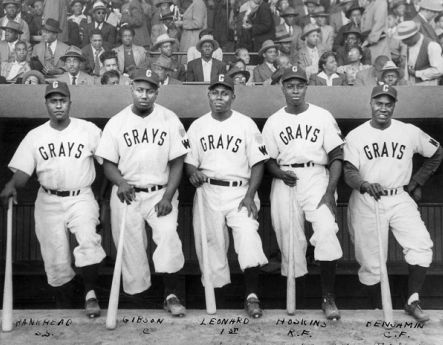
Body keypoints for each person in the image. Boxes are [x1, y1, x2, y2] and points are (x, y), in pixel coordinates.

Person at [0, 81, 106, 318]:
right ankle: (64, 309)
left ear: (70, 102)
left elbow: (107, 161)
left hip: (80, 195)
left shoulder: (87, 129)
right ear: (46, 104)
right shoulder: (35, 135)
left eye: (63, 100)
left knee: (88, 239)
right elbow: (22, 172)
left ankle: (90, 294)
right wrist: (11, 185)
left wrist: (104, 197)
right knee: (55, 259)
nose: (58, 105)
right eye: (53, 101)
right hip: (48, 199)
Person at [343, 84, 443, 322]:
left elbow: (437, 152)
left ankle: (412, 300)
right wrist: (365, 184)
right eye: (379, 103)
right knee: (370, 262)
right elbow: (349, 172)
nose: (383, 108)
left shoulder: (408, 131)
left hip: (398, 197)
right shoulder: (356, 135)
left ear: (394, 106)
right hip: (367, 199)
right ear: (371, 103)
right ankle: (375, 310)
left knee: (420, 246)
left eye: (388, 104)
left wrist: (416, 182)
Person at [95, 69, 189, 317]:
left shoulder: (170, 119)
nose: (144, 95)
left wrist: (168, 196)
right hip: (127, 193)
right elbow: (107, 162)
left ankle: (171, 295)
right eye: (140, 89)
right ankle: (139, 301)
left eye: (149, 90)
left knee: (168, 238)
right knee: (130, 247)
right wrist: (120, 182)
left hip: (160, 191)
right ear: (131, 89)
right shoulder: (117, 122)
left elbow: (178, 161)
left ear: (157, 92)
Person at [262, 66, 344, 320]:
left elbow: (337, 156)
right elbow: (266, 159)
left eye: (299, 85)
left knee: (327, 230)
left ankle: (328, 297)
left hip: (317, 177)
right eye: (290, 85)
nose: (295, 90)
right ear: (283, 88)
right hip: (286, 178)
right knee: (288, 236)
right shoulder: (274, 120)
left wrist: (330, 192)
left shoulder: (322, 116)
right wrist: (278, 173)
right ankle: (293, 295)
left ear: (306, 87)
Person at [184, 73, 269, 318]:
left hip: (240, 190)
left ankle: (252, 296)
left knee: (248, 238)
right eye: (214, 92)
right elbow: (189, 162)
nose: (219, 97)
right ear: (208, 95)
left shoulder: (246, 124)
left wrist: (250, 195)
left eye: (224, 93)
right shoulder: (198, 125)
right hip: (208, 190)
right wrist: (193, 172)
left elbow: (258, 163)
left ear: (233, 96)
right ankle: (217, 300)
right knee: (211, 244)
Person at [394, 21, 443, 85]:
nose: (403, 42)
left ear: (412, 36)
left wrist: (417, 73)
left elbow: (439, 71)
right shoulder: (410, 45)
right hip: (413, 87)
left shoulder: (432, 46)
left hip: (429, 87)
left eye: (404, 40)